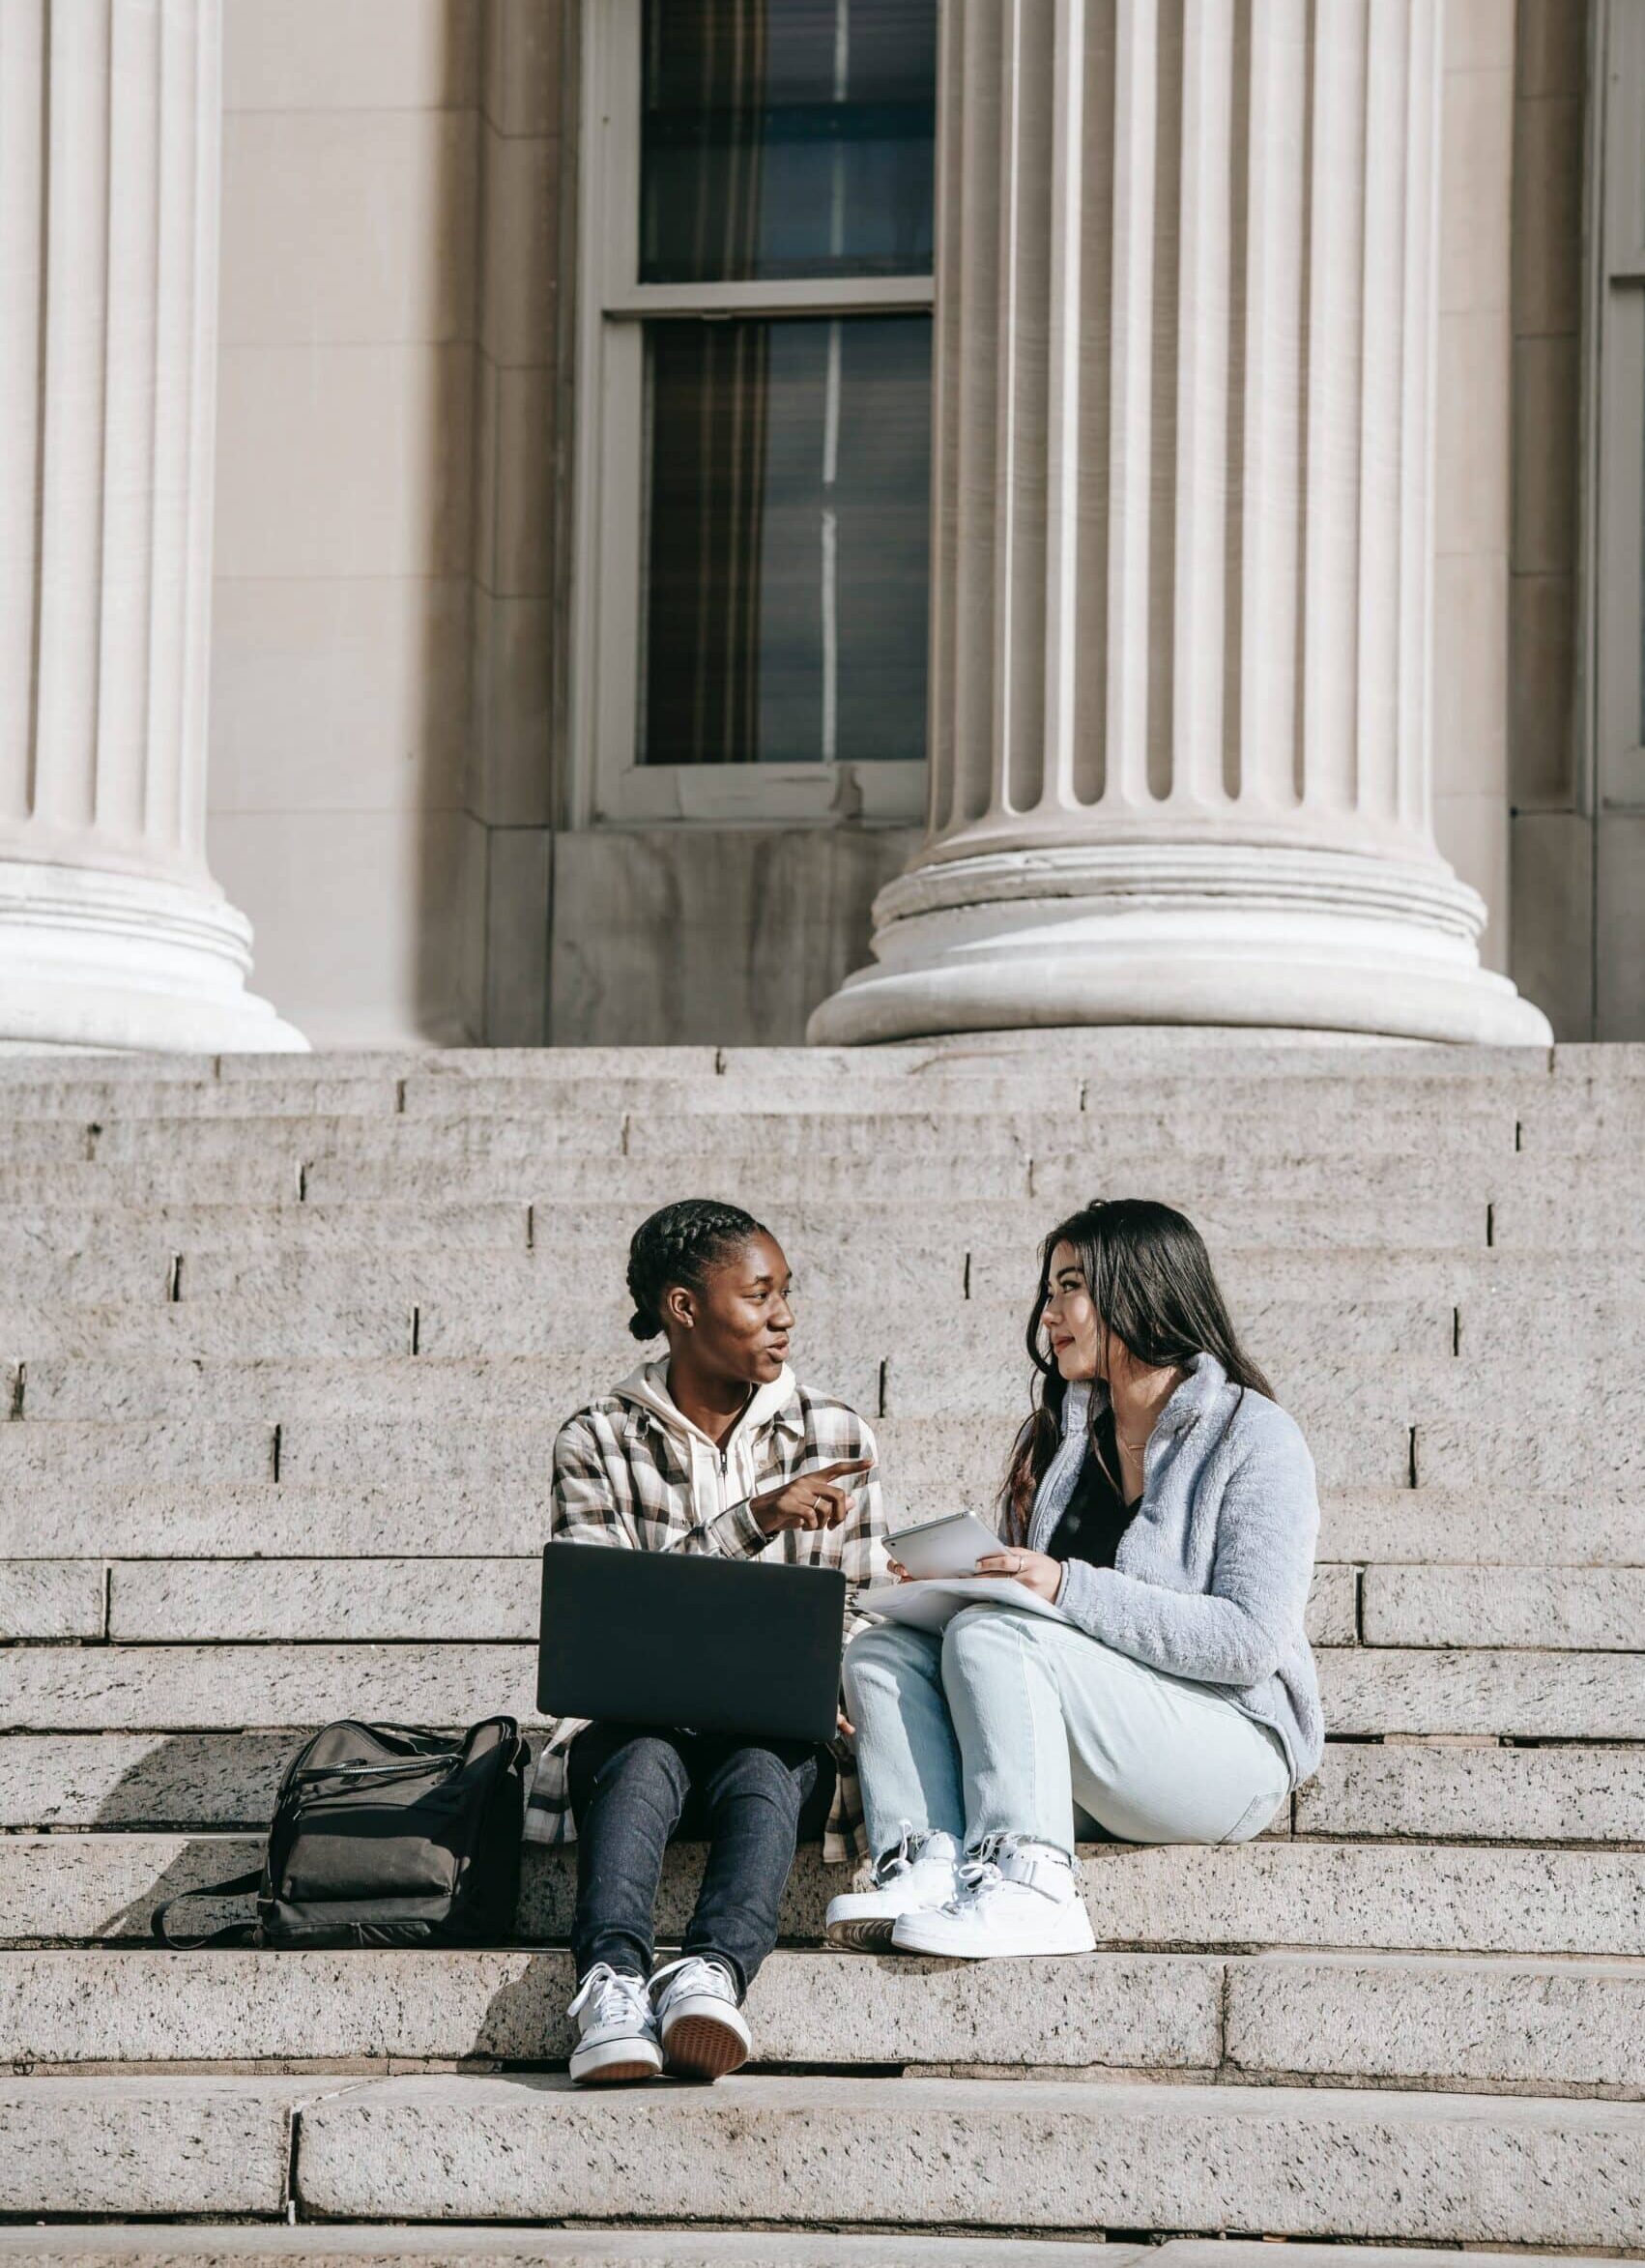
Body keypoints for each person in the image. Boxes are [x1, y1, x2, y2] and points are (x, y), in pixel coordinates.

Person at [824, 1197, 1322, 1961]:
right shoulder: (1065, 1439)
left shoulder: (1252, 1434)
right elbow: (1040, 1629)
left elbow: (1250, 1641)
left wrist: (1062, 1586)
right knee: (881, 1653)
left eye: (1070, 1288)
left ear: (1140, 1289)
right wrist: (962, 1579)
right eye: (1048, 1291)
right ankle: (928, 1863)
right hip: (1101, 1742)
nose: (1049, 1312)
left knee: (995, 1633)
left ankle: (1035, 1889)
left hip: (1232, 1743)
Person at [531, 1198, 885, 2083]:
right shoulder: (598, 1440)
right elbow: (609, 1619)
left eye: (786, 1293)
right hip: (631, 1747)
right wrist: (754, 1519)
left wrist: (843, 1683)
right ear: (684, 1309)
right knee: (641, 1750)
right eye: (759, 1295)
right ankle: (611, 1984)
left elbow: (867, 1603)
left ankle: (712, 1976)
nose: (784, 1316)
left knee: (771, 1761)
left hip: (769, 1747)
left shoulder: (835, 1435)